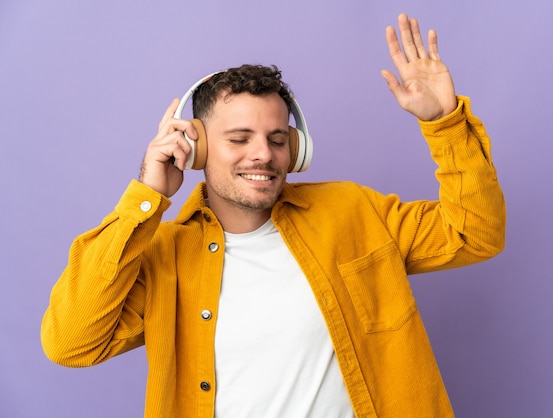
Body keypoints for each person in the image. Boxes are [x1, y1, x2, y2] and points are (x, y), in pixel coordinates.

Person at [41, 13, 506, 418]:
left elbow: (475, 233)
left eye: (277, 139)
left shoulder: (353, 210)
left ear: (296, 149)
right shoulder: (164, 259)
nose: (263, 154)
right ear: (195, 147)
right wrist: (146, 196)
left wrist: (443, 121)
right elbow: (70, 342)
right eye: (239, 139)